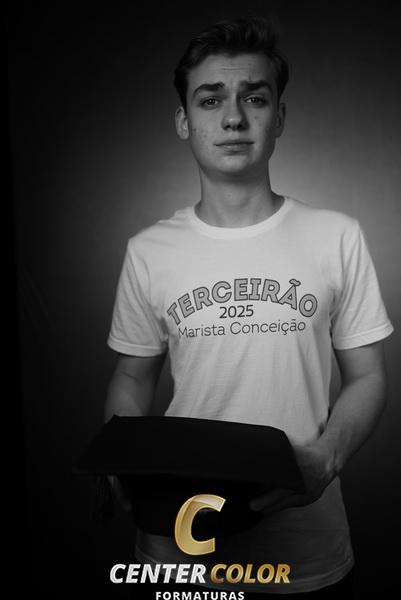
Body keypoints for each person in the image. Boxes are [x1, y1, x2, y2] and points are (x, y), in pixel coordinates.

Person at [104, 15, 393, 597]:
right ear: (184, 121)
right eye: (210, 100)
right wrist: (119, 454)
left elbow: (367, 375)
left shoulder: (336, 235)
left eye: (254, 98)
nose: (233, 118)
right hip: (179, 547)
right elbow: (133, 376)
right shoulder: (148, 250)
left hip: (305, 552)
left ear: (278, 117)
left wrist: (326, 458)